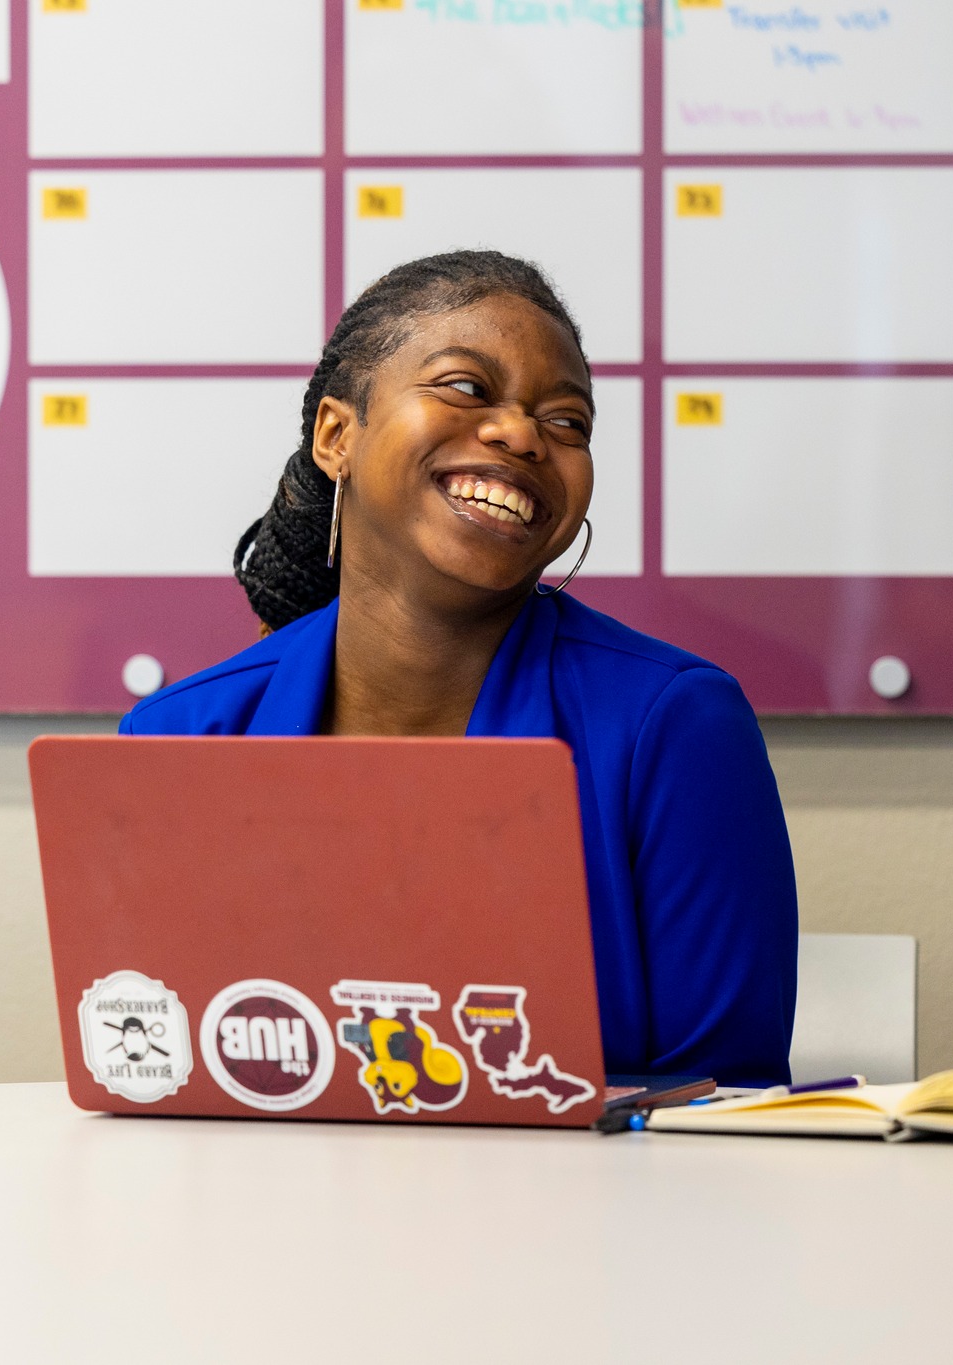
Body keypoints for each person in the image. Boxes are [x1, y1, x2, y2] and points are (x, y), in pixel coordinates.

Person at [121, 250, 798, 1087]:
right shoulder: (181, 737)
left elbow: (725, 1107)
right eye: (468, 388)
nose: (522, 434)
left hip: (591, 1217)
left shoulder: (676, 727)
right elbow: (152, 1074)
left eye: (566, 422)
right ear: (337, 435)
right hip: (266, 1211)